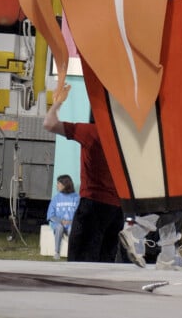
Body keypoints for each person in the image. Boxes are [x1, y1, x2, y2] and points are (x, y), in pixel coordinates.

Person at [43, 98, 123, 263]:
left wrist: (57, 101)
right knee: (106, 263)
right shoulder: (124, 137)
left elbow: (49, 124)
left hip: (93, 204)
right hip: (117, 209)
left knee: (80, 263)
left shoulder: (91, 131)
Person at [46, 174, 80, 260]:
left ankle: (72, 253)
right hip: (59, 223)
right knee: (59, 228)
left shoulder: (76, 197)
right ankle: (57, 252)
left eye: (59, 183)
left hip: (71, 224)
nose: (57, 185)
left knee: (71, 229)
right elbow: (50, 215)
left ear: (65, 184)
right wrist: (60, 221)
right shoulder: (56, 198)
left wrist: (71, 222)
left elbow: (79, 214)